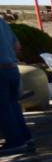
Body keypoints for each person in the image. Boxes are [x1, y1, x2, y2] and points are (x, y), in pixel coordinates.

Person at [0, 18, 33, 153]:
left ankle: (15, 142)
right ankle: (25, 137)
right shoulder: (2, 22)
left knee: (4, 108)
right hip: (13, 69)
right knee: (14, 105)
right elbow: (17, 46)